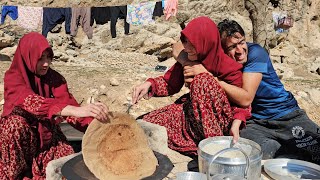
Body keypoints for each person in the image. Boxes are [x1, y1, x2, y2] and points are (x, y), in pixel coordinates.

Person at [173, 18, 320, 164]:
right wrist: (190, 63)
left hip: (286, 114)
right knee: (253, 152)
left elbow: (246, 98)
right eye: (231, 47)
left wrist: (210, 77)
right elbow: (177, 47)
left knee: (315, 148)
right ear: (221, 48)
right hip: (254, 121)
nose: (240, 51)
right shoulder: (218, 58)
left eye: (241, 42)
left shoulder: (256, 53)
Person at [132, 16, 251, 156]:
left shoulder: (230, 67)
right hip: (192, 113)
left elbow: (242, 104)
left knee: (203, 81)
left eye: (192, 44)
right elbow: (170, 83)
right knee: (145, 123)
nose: (187, 48)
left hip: (220, 123)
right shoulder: (191, 60)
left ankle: (212, 146)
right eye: (185, 42)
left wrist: (236, 123)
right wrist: (149, 84)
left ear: (205, 42)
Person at [0, 32, 110, 179]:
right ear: (28, 57)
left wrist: (99, 130)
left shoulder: (54, 78)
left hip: (46, 135)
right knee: (14, 125)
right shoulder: (13, 77)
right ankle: (16, 174)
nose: (46, 64)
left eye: (48, 57)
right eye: (40, 58)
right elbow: (32, 101)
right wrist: (73, 110)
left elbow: (71, 110)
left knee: (67, 165)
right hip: (23, 138)